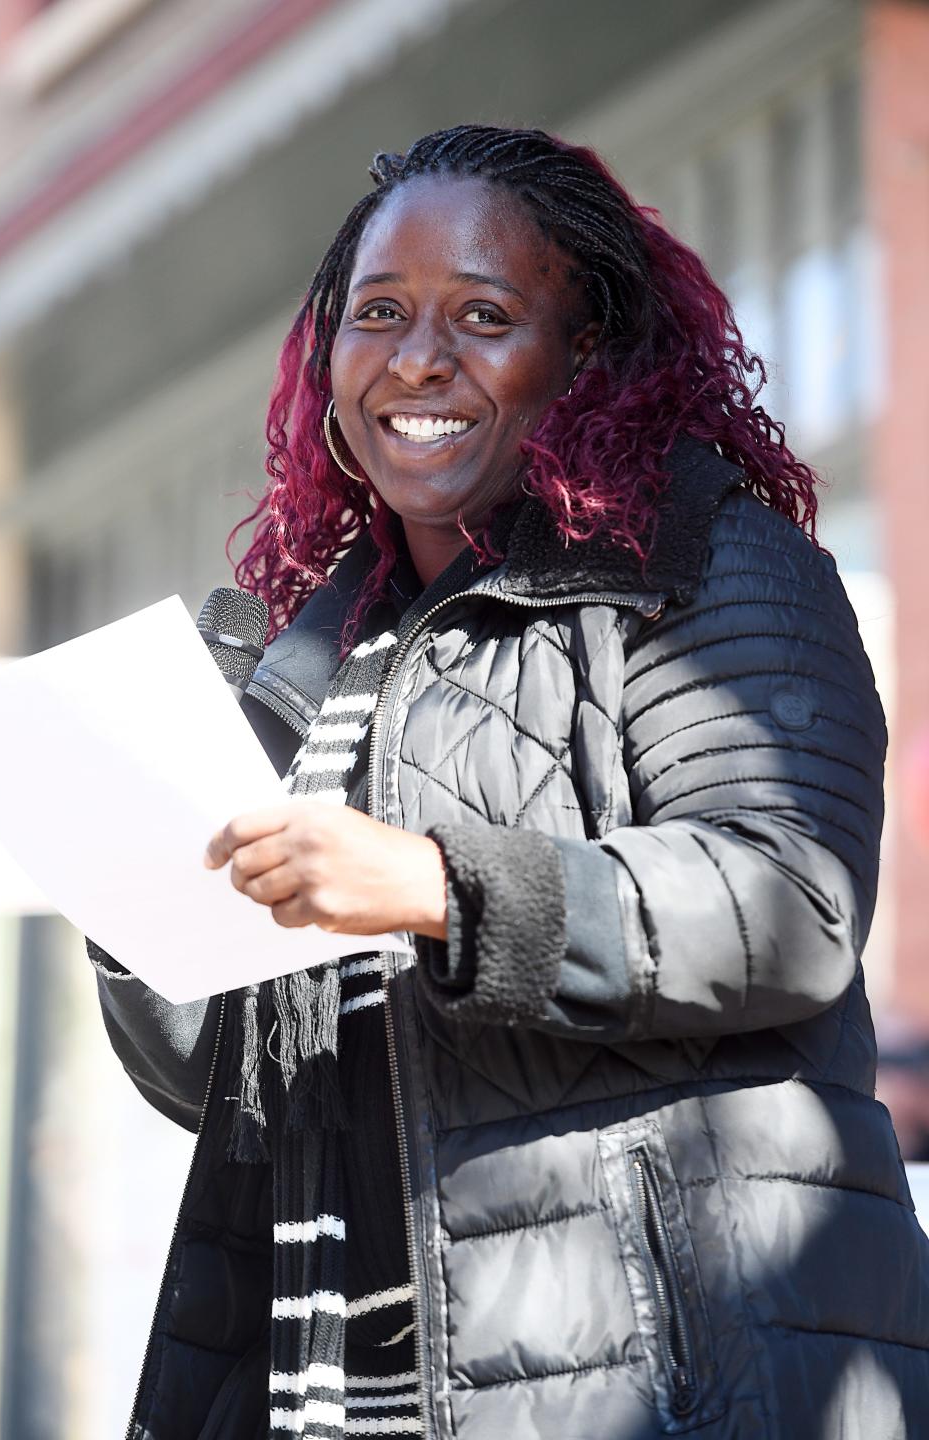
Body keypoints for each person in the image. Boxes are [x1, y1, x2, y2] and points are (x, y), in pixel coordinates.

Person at [90, 124, 929, 1440]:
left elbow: (792, 904)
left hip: (650, 1382)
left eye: (483, 313)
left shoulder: (707, 562)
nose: (420, 357)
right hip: (333, 1381)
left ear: (585, 354)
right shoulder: (309, 653)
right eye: (379, 314)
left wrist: (436, 885)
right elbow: (224, 1086)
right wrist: (130, 897)